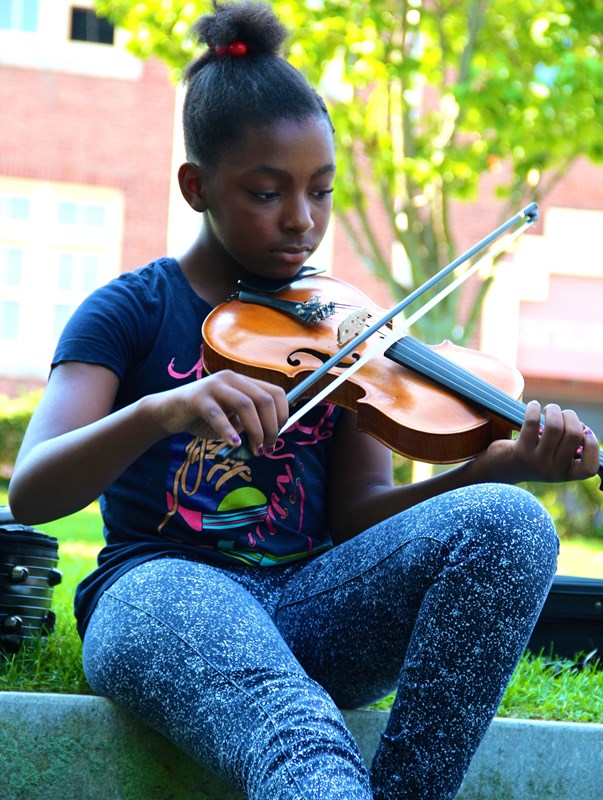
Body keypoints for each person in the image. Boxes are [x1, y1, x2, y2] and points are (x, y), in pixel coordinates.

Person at [8, 2, 600, 798]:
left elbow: (358, 515)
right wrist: (162, 410)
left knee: (512, 524)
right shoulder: (130, 310)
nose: (303, 221)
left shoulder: (346, 328)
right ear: (196, 186)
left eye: (320, 192)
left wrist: (494, 468)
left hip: (313, 606)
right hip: (161, 591)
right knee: (298, 738)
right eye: (266, 192)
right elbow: (34, 489)